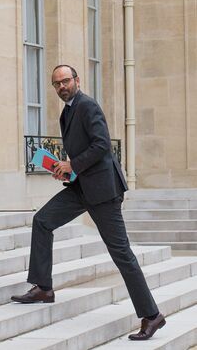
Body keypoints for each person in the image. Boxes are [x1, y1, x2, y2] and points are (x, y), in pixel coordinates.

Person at [11, 64, 165, 341]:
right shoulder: (67, 111)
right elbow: (83, 152)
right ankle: (43, 287)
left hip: (104, 192)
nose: (62, 86)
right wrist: (66, 169)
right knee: (42, 221)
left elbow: (102, 145)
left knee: (122, 254)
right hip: (82, 187)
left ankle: (152, 316)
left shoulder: (87, 106)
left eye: (66, 81)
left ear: (77, 81)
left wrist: (73, 164)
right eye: (56, 83)